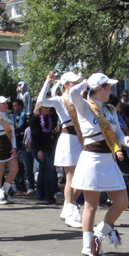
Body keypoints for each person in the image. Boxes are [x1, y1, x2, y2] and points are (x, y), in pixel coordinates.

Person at [69, 73, 129, 256]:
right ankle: (87, 246)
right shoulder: (85, 106)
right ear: (100, 88)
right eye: (108, 87)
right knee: (90, 205)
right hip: (91, 159)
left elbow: (116, 134)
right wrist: (86, 82)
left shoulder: (110, 109)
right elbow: (72, 94)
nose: (111, 91)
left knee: (122, 202)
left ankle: (99, 233)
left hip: (109, 159)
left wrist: (125, 140)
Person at [36, 72, 85, 225]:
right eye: (73, 82)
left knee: (80, 176)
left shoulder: (79, 98)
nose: (76, 84)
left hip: (80, 138)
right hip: (69, 139)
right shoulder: (60, 100)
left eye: (78, 82)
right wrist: (47, 83)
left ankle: (67, 207)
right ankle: (71, 212)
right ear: (65, 85)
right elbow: (41, 101)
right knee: (71, 177)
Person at [0, 96, 19, 205]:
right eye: (3, 103)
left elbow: (13, 134)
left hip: (8, 145)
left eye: (6, 103)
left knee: (14, 169)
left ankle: (5, 192)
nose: (6, 105)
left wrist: (14, 147)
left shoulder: (9, 117)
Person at [29, 104, 60, 204]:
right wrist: (39, 150)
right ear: (40, 107)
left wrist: (55, 132)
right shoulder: (34, 118)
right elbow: (34, 135)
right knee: (49, 169)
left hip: (50, 147)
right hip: (39, 148)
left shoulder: (52, 117)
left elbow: (52, 133)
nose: (48, 109)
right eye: (46, 107)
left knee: (44, 170)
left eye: (49, 107)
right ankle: (49, 194)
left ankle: (40, 194)